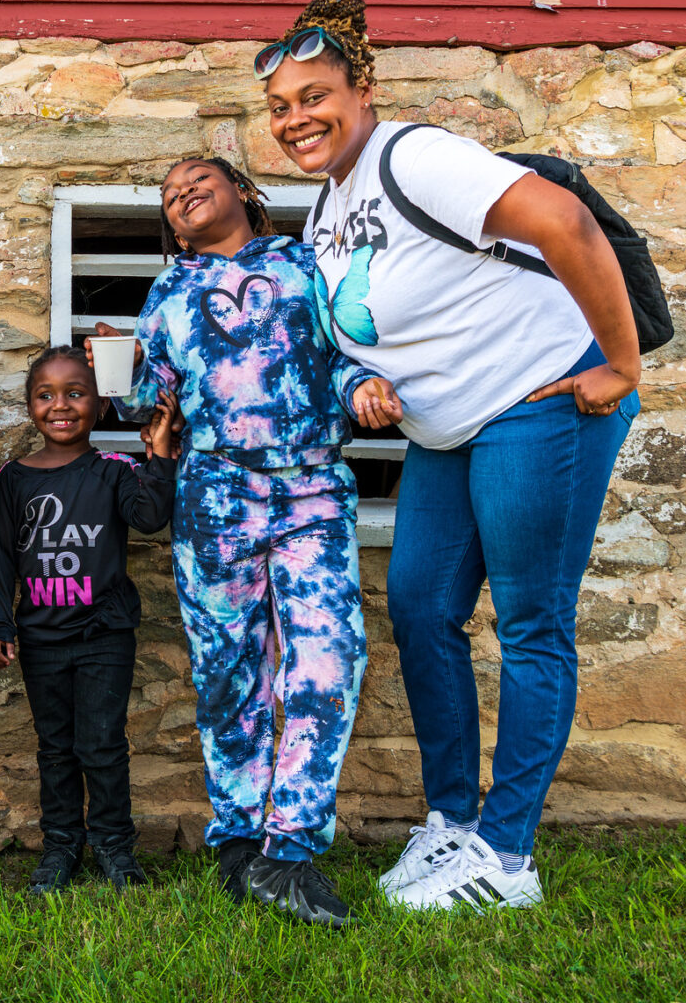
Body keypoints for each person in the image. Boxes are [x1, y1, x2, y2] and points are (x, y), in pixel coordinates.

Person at [263, 0, 641, 911]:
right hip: (445, 431)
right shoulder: (326, 211)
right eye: (279, 107)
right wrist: (360, 383)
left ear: (363, 89)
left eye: (314, 97)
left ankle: (506, 859)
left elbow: (567, 224)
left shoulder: (414, 157)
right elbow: (356, 332)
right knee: (422, 607)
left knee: (529, 621)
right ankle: (452, 826)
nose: (295, 120)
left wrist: (621, 363)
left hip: (537, 399)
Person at [90, 154, 402, 928]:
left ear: (243, 192)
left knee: (327, 661)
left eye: (198, 179)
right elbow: (148, 401)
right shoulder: (168, 292)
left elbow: (345, 353)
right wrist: (120, 371)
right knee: (229, 673)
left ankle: (290, 847)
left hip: (310, 489)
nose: (181, 194)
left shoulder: (306, 266)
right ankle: (238, 839)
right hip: (214, 495)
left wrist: (360, 386)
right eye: (167, 195)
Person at [0, 347, 177, 895]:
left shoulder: (114, 472)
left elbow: (152, 518)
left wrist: (160, 458)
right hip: (40, 639)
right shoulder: (14, 479)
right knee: (55, 746)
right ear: (30, 406)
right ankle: (61, 845)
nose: (60, 406)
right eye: (45, 395)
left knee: (102, 743)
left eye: (75, 393)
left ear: (99, 404)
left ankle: (114, 846)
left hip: (103, 634)